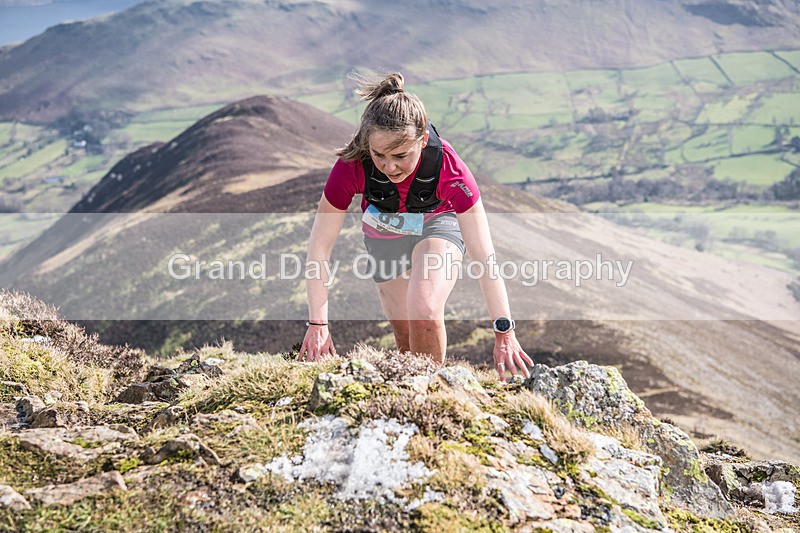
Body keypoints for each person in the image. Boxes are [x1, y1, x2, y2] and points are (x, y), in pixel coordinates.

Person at [298, 72, 533, 381]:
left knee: (423, 311)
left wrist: (504, 331)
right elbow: (320, 247)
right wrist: (318, 325)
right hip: (384, 227)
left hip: (438, 221)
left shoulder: (451, 170)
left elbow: (482, 254)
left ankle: (429, 395)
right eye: (379, 154)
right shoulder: (352, 165)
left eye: (400, 155)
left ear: (422, 140)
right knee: (407, 336)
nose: (389, 166)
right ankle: (408, 394)